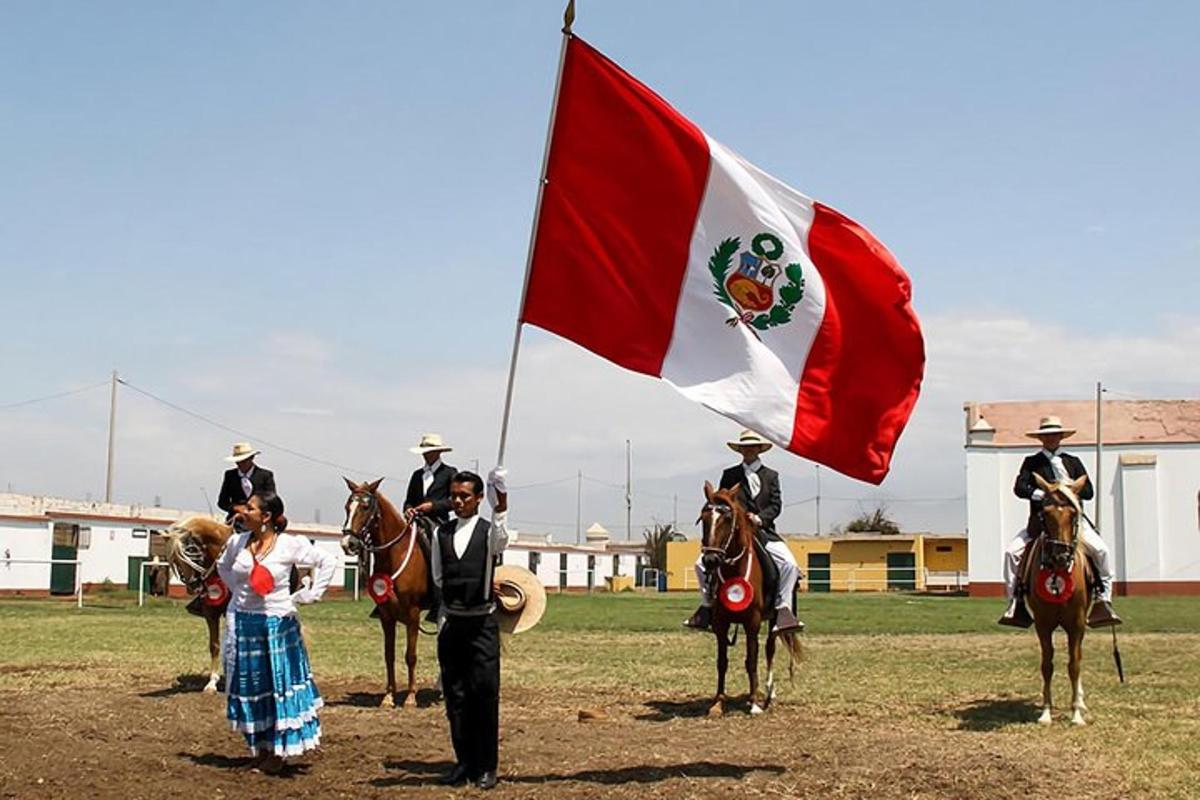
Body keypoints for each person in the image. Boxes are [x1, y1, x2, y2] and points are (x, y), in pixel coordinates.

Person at [217, 491, 337, 774]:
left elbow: (327, 562)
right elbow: (223, 567)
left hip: (277, 624)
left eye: (250, 508)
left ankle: (277, 752)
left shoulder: (289, 545)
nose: (243, 511)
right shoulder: (237, 542)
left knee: (276, 686)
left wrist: (311, 594)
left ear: (266, 516)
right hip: (244, 624)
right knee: (252, 686)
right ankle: (259, 749)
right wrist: (239, 593)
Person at [1000, 415, 1121, 628]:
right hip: (1042, 522)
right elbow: (1020, 488)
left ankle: (1104, 600)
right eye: (1047, 436)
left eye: (1054, 435)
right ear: (1041, 439)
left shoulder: (1073, 462)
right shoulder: (1032, 462)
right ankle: (1015, 602)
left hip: (1073, 521)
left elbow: (1089, 491)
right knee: (1012, 553)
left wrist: (1067, 491)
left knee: (1102, 551)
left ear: (1060, 437)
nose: (1051, 439)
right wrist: (1042, 494)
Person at [429, 468, 508, 790]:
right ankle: (464, 762)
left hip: (482, 625)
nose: (458, 501)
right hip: (454, 624)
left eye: (465, 496)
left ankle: (486, 767)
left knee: (484, 695)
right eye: (454, 496)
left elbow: (502, 536)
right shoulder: (441, 534)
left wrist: (500, 500)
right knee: (456, 696)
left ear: (478, 499)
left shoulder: (490, 533)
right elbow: (437, 576)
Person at [684, 430, 803, 634]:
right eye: (744, 447)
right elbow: (721, 503)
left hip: (764, 532)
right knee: (699, 564)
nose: (748, 450)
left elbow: (775, 505)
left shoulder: (771, 476)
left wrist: (759, 518)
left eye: (752, 446)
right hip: (735, 534)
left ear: (759, 449)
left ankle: (783, 609)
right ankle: (706, 607)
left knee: (790, 565)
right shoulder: (730, 475)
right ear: (740, 450)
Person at [217, 443, 276, 523]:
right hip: (236, 519)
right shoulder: (230, 476)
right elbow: (222, 502)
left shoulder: (265, 475)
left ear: (252, 458)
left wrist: (254, 510)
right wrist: (236, 508)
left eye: (244, 461)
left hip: (260, 519)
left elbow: (271, 500)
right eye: (238, 461)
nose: (240, 464)